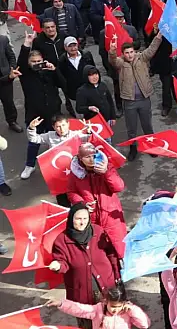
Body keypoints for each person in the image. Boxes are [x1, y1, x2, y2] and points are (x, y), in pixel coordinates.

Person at [48, 203, 122, 329]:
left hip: (106, 288)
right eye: (78, 219)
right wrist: (58, 266)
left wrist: (117, 274)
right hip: (82, 293)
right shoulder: (62, 240)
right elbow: (63, 263)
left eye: (85, 218)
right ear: (71, 219)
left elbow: (111, 253)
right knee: (87, 322)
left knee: (111, 321)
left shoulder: (98, 231)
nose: (82, 222)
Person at [18, 31, 67, 180]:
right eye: (33, 61)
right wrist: (27, 44)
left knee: (58, 140)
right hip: (35, 115)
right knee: (34, 142)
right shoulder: (25, 75)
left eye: (39, 60)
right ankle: (30, 165)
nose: (37, 63)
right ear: (29, 63)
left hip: (53, 113)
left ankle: (61, 163)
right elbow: (21, 62)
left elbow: (63, 84)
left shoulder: (48, 72)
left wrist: (54, 71)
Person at [108, 32, 162, 161]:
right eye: (126, 53)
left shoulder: (142, 58)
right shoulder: (120, 63)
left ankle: (151, 146)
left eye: (131, 52)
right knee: (131, 128)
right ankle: (133, 148)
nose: (130, 55)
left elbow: (152, 49)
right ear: (123, 54)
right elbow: (113, 60)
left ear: (134, 51)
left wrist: (158, 36)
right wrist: (112, 51)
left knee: (147, 125)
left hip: (144, 99)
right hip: (129, 101)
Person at [67, 143, 127, 257]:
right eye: (87, 157)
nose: (91, 159)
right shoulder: (75, 173)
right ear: (80, 159)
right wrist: (82, 204)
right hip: (91, 219)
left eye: (94, 155)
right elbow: (71, 192)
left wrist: (106, 173)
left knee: (118, 248)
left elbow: (119, 187)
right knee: (97, 251)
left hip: (110, 215)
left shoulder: (106, 166)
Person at [46, 286, 151, 329]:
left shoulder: (129, 312)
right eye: (113, 306)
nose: (116, 309)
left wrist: (133, 310)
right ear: (106, 302)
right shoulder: (98, 310)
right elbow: (79, 309)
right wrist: (61, 303)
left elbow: (144, 325)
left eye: (120, 306)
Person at [0, 33, 21, 133]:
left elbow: (11, 56)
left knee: (8, 102)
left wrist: (12, 69)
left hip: (6, 78)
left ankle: (12, 121)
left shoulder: (3, 40)